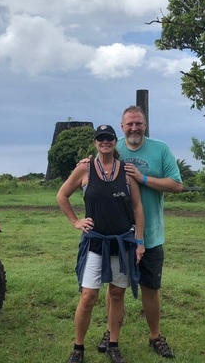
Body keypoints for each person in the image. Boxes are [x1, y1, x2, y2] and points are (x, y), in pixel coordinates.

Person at [96, 106, 183, 359]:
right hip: (118, 235)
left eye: (139, 123)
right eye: (129, 124)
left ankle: (155, 336)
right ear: (121, 127)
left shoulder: (160, 149)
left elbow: (177, 185)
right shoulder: (113, 147)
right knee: (115, 289)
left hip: (152, 234)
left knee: (150, 287)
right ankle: (111, 333)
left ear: (145, 125)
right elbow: (95, 170)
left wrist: (143, 179)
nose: (134, 128)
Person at [57, 124, 145, 363]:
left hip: (121, 242)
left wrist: (139, 241)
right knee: (88, 297)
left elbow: (137, 208)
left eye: (109, 138)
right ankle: (78, 348)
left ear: (115, 142)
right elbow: (62, 195)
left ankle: (114, 344)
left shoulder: (126, 172)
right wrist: (75, 221)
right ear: (95, 142)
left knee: (117, 293)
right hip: (95, 243)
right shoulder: (85, 169)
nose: (105, 142)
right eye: (100, 138)